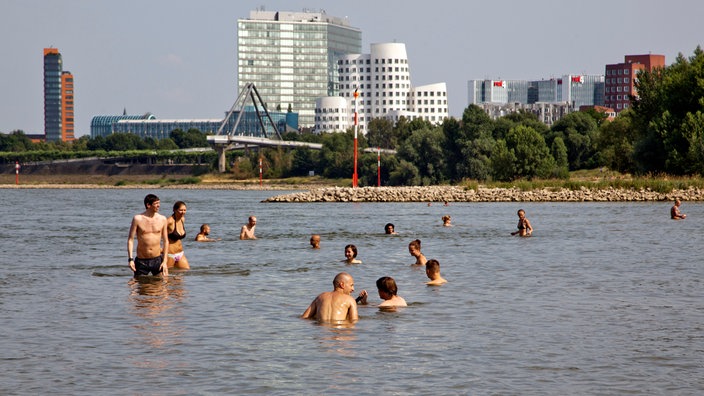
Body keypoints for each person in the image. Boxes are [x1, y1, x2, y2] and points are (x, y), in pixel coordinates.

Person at [127, 194, 169, 277]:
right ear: (148, 205)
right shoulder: (137, 219)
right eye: (156, 203)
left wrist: (165, 261)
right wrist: (130, 259)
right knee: (141, 288)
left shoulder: (163, 219)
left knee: (162, 286)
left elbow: (166, 241)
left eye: (159, 203)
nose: (158, 205)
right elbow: (130, 240)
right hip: (142, 260)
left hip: (157, 259)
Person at [166, 201, 190, 269]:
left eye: (184, 210)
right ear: (174, 210)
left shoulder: (182, 219)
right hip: (170, 254)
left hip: (180, 253)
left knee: (186, 271)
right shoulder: (169, 221)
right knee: (167, 277)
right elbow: (157, 232)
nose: (183, 212)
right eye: (181, 210)